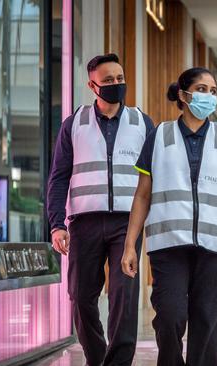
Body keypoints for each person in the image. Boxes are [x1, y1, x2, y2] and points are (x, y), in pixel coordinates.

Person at [121, 67, 217, 366]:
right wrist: (130, 244)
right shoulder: (160, 135)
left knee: (208, 323)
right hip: (168, 246)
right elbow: (143, 194)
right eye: (201, 88)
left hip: (215, 247)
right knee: (169, 316)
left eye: (212, 90)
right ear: (183, 95)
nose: (208, 95)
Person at [46, 53, 154, 365]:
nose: (116, 85)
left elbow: (152, 179)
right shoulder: (74, 124)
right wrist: (56, 224)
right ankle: (97, 358)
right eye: (108, 81)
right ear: (92, 85)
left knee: (123, 297)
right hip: (84, 223)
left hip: (127, 225)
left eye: (120, 79)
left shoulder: (141, 122)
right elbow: (58, 177)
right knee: (80, 298)